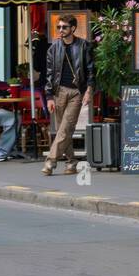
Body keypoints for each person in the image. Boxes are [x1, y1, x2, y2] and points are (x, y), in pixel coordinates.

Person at [43, 14, 94, 175]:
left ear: (73, 28)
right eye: (58, 27)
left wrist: (89, 91)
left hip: (76, 92)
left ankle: (50, 161)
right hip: (59, 92)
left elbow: (91, 71)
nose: (60, 30)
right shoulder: (53, 48)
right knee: (62, 131)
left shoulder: (84, 46)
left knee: (65, 128)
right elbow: (49, 74)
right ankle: (72, 162)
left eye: (64, 27)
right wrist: (49, 97)